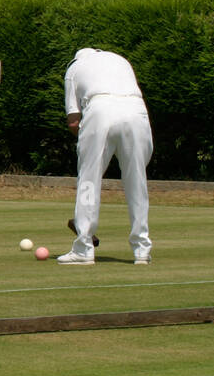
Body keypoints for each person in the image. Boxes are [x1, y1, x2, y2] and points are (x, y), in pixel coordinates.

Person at [60, 48, 153, 265]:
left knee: (88, 180)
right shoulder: (120, 59)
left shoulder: (73, 69)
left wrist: (89, 146)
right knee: (137, 181)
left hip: (99, 108)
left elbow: (74, 121)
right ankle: (142, 250)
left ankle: (84, 247)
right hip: (136, 110)